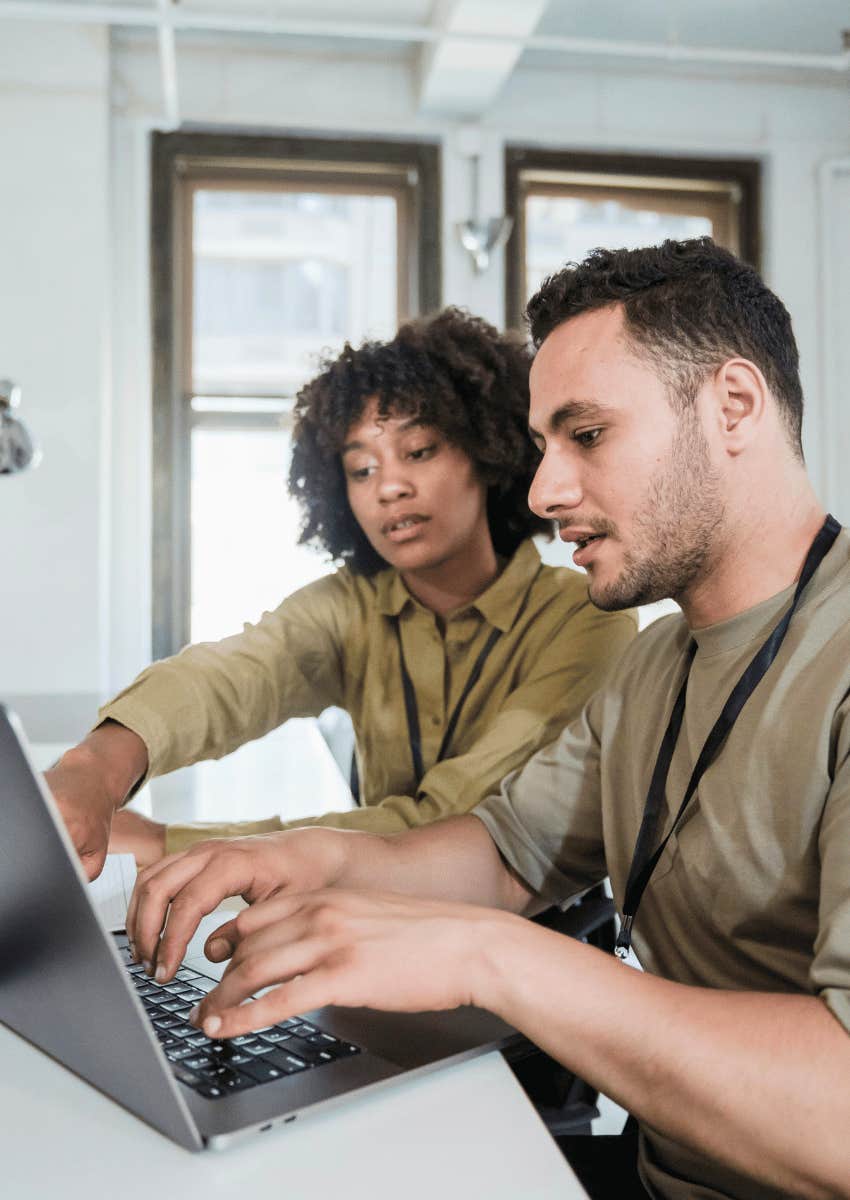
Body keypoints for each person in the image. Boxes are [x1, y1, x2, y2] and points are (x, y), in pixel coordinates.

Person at [122, 240, 850, 1200]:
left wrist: (488, 956)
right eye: (545, 445)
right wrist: (303, 858)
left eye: (586, 436)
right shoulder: (649, 667)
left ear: (734, 407)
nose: (545, 493)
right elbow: (506, 855)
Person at [46, 307, 635, 880]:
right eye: (361, 469)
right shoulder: (350, 605)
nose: (390, 488)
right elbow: (234, 676)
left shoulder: (585, 617)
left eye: (419, 451)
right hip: (365, 927)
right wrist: (96, 765)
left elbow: (455, 823)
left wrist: (168, 844)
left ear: (487, 452)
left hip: (530, 945)